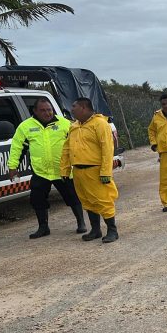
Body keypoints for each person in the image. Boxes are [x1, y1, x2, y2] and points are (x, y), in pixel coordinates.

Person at [8, 98, 86, 238]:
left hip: (63, 170)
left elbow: (78, 142)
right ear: (35, 111)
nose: (47, 113)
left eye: (49, 110)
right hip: (41, 171)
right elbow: (17, 147)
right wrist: (13, 166)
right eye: (43, 110)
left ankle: (81, 223)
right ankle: (43, 228)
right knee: (37, 199)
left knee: (72, 196)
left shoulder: (64, 124)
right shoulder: (25, 126)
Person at [60, 98, 119, 243]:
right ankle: (95, 230)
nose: (71, 109)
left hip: (95, 170)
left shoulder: (100, 124)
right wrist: (65, 170)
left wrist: (105, 172)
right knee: (87, 201)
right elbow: (67, 149)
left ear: (84, 108)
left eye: (74, 106)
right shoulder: (74, 126)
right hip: (79, 171)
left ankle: (112, 231)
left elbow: (107, 149)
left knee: (103, 200)